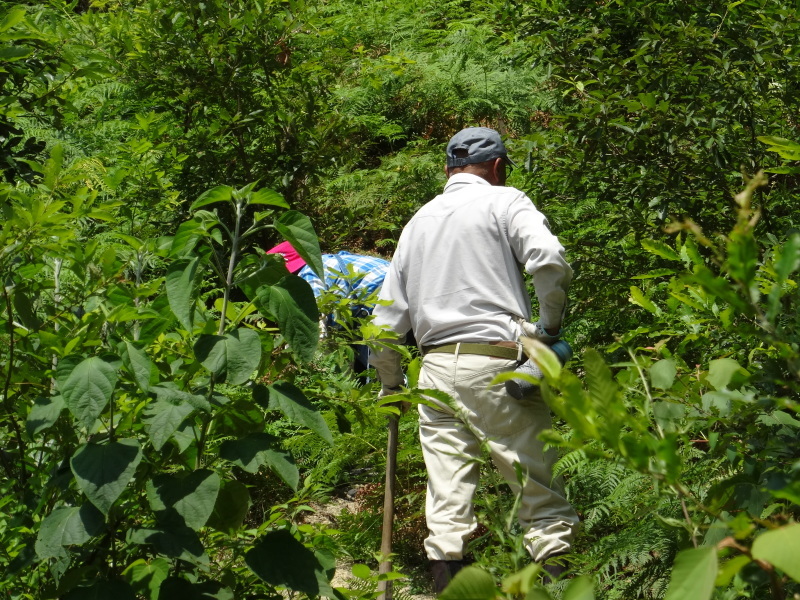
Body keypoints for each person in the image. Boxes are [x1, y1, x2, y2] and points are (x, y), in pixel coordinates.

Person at [369, 127, 580, 593]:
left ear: (447, 169)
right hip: (499, 363)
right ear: (500, 168)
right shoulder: (504, 202)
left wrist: (390, 385)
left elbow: (383, 325)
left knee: (447, 509)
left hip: (435, 373)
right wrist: (548, 330)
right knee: (539, 497)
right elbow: (548, 259)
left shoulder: (417, 223)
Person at [266, 241, 390, 374]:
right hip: (398, 284)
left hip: (377, 298)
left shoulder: (307, 274)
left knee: (381, 372)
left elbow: (313, 327)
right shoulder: (334, 260)